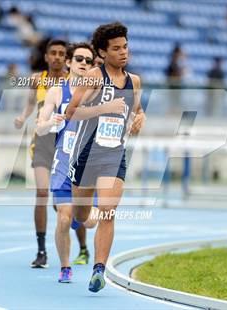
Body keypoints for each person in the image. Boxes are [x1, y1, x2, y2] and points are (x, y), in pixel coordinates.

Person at [65, 22, 145, 293]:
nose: (123, 53)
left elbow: (138, 109)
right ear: (102, 51)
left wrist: (139, 120)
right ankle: (89, 218)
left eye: (125, 47)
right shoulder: (94, 78)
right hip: (86, 153)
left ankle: (99, 269)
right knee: (82, 215)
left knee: (109, 213)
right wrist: (103, 107)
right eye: (116, 49)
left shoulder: (134, 81)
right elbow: (71, 113)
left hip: (114, 154)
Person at [14, 39, 90, 268]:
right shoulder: (37, 80)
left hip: (65, 145)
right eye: (52, 53)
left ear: (66, 60)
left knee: (65, 206)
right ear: (46, 57)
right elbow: (30, 104)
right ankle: (41, 251)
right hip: (42, 143)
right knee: (41, 192)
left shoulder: (73, 81)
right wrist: (23, 117)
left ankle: (83, 248)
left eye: (60, 53)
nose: (56, 57)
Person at [36, 42, 99, 282]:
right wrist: (52, 122)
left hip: (88, 167)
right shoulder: (56, 92)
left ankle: (77, 217)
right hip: (63, 164)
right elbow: (40, 128)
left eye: (88, 61)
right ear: (69, 62)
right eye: (79, 59)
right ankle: (65, 268)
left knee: (90, 221)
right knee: (63, 217)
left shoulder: (97, 92)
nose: (84, 63)